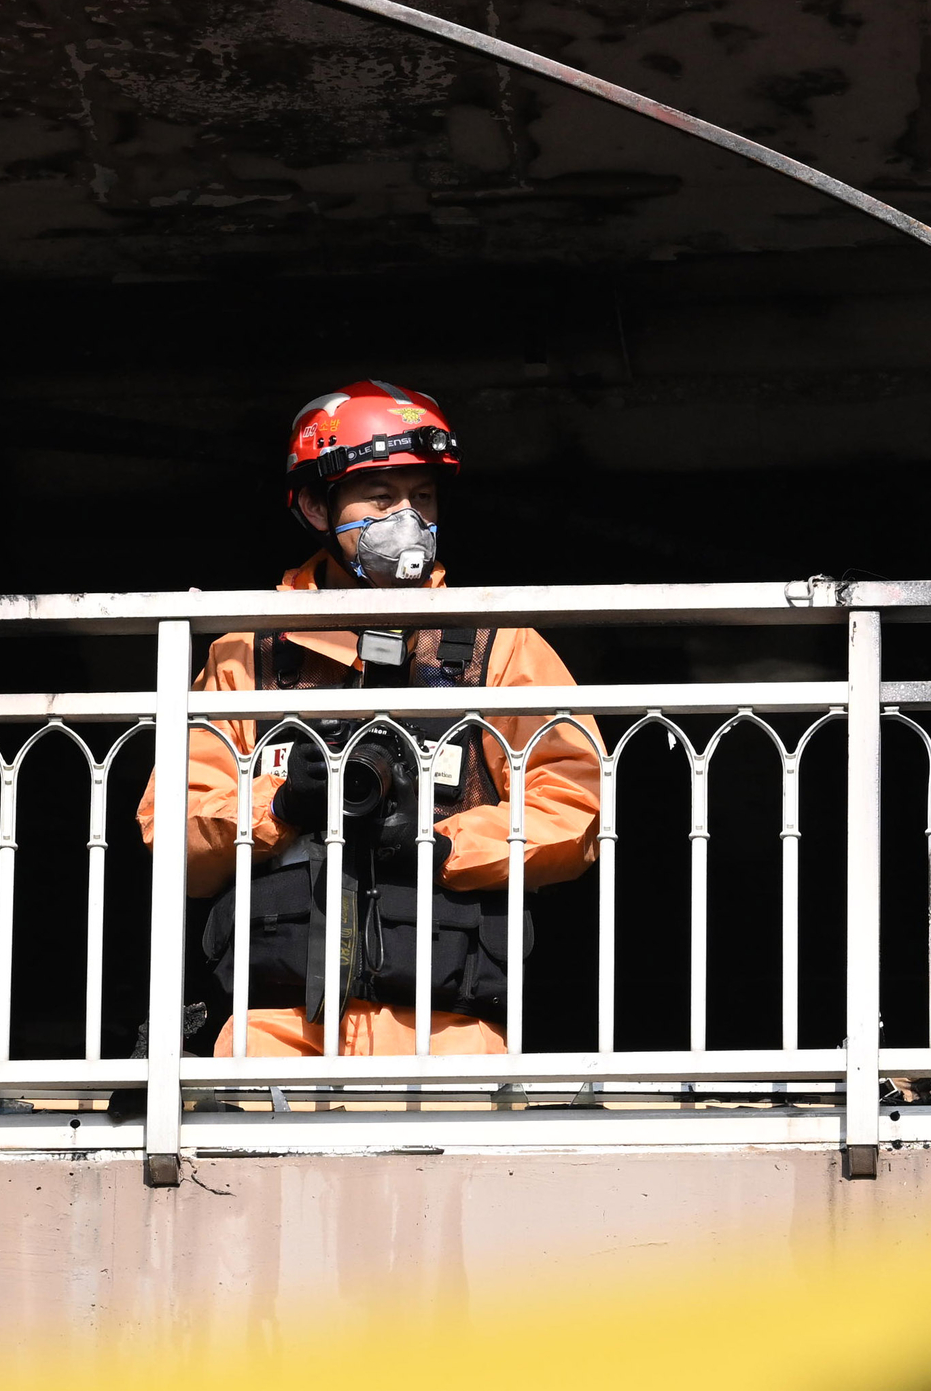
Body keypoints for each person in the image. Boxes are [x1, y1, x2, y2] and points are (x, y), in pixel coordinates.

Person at [137, 382, 604, 1056]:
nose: (407, 519)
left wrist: (443, 843)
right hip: (275, 1034)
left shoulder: (496, 647)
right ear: (313, 505)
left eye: (423, 497)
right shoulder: (249, 654)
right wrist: (280, 803)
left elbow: (577, 802)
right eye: (382, 498)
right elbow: (170, 831)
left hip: (455, 1039)